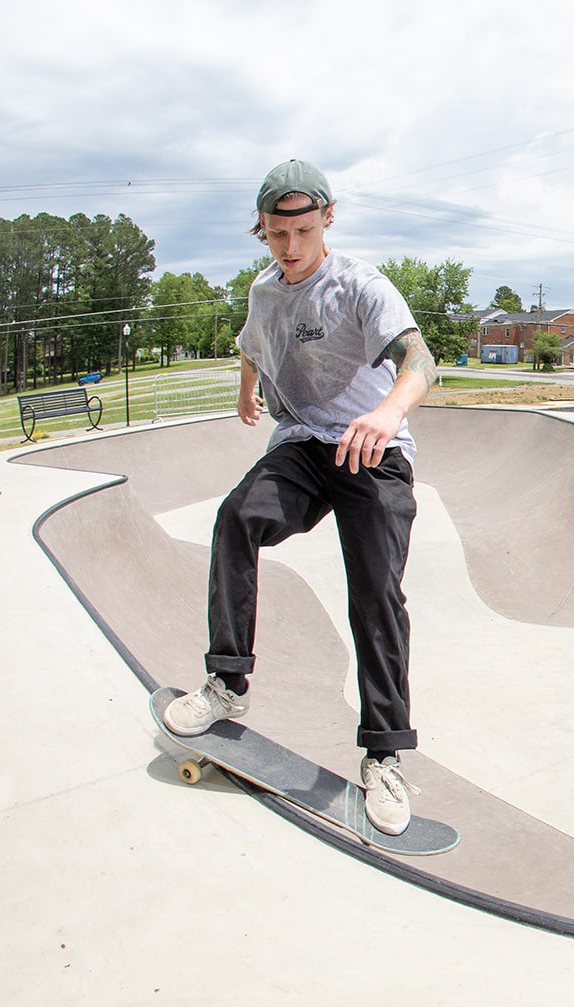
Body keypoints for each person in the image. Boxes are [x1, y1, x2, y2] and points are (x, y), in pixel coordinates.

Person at [163, 159, 436, 836]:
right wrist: (246, 385)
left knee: (375, 594)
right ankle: (227, 684)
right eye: (276, 235)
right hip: (303, 448)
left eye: (303, 232)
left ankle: (384, 755)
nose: (291, 249)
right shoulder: (263, 292)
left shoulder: (360, 286)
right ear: (262, 230)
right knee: (236, 521)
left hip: (372, 451)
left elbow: (420, 361)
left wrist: (387, 413)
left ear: (328, 220)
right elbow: (254, 342)